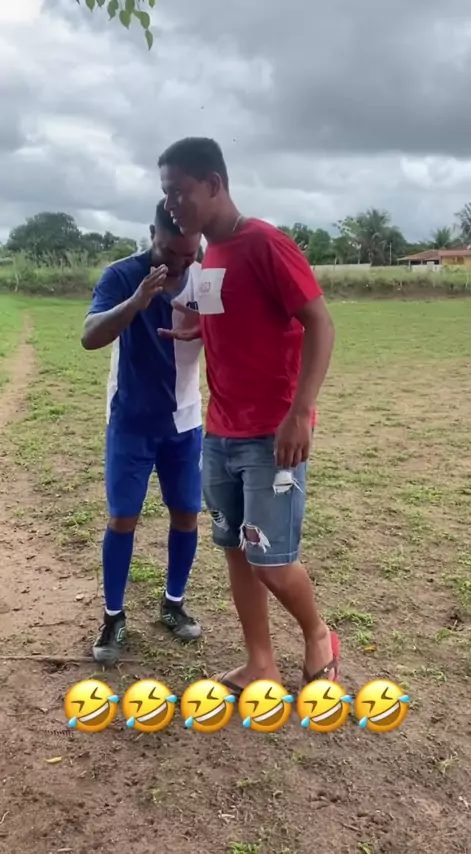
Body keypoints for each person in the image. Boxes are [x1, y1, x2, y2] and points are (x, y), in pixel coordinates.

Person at [157, 137, 339, 694]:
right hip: (221, 432)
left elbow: (320, 323)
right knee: (236, 551)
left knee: (270, 561)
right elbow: (227, 315)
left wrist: (300, 412)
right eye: (166, 195)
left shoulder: (265, 243)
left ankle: (318, 634)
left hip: (272, 434)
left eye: (179, 192)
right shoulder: (210, 256)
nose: (171, 205)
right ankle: (261, 662)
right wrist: (198, 328)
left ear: (213, 184)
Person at [81, 199, 204, 665]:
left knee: (186, 515)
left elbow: (225, 336)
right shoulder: (121, 275)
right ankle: (113, 617)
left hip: (184, 422)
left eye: (189, 253)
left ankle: (173, 603)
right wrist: (136, 302)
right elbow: (90, 336)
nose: (180, 263)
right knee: (123, 519)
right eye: (171, 252)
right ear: (153, 234)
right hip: (131, 422)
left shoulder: (205, 277)